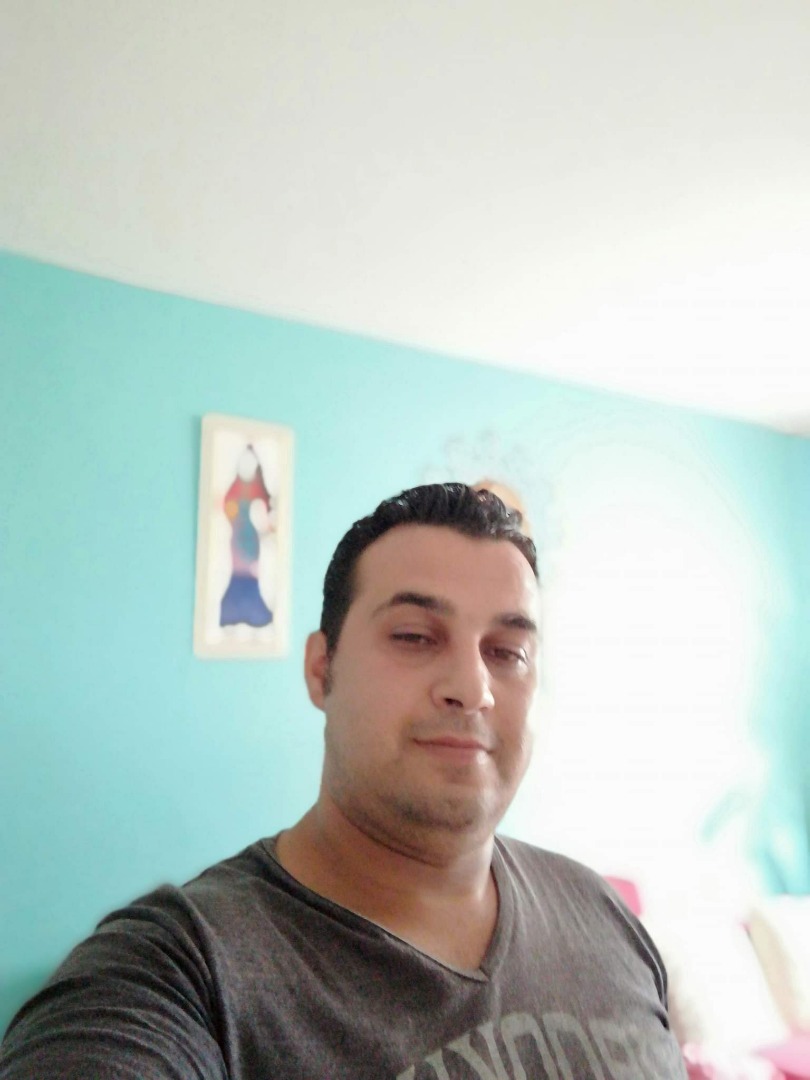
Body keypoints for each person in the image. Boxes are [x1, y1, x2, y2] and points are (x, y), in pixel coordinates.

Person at [0, 483, 686, 1079]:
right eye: (415, 637)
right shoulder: (182, 971)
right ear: (321, 670)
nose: (472, 687)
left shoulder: (605, 917)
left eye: (508, 652)